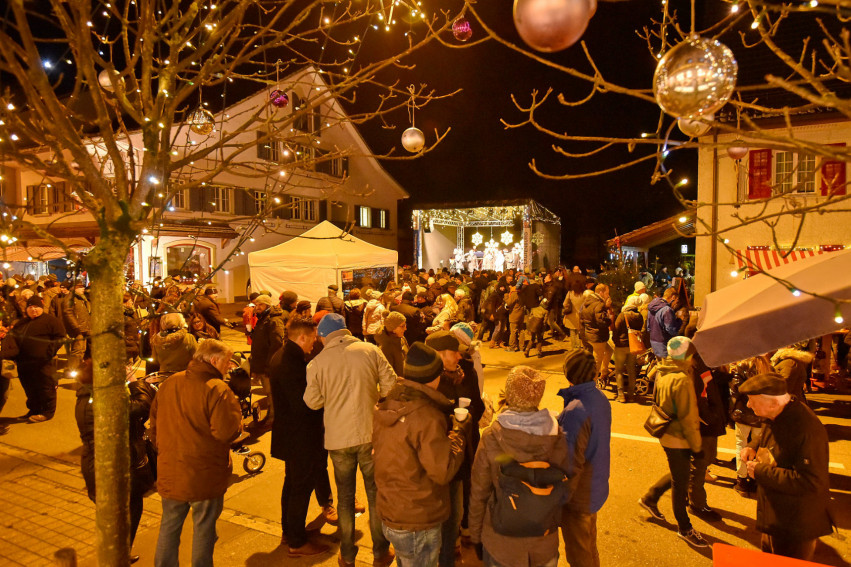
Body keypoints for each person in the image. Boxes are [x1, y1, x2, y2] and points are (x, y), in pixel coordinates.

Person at [303, 313, 397, 567]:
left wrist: (331, 398)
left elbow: (312, 402)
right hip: (370, 434)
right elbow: (390, 386)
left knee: (344, 498)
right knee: (375, 493)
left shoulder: (318, 363)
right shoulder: (370, 351)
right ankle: (380, 552)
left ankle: (346, 555)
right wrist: (373, 397)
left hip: (338, 439)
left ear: (323, 336)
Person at [373, 342, 469, 567]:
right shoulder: (426, 416)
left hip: (392, 511)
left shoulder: (388, 405)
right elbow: (442, 471)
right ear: (433, 377)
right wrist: (459, 434)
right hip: (418, 519)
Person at [150, 339, 243, 567]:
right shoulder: (217, 389)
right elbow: (225, 431)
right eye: (227, 362)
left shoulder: (170, 382)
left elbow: (154, 424)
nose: (229, 367)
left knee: (169, 525)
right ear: (214, 360)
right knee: (204, 527)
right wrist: (239, 425)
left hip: (171, 469)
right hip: (204, 473)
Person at [468, 365, 570, 567]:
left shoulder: (492, 437)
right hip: (544, 543)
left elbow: (479, 492)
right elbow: (566, 488)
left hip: (501, 544)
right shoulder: (557, 436)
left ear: (509, 394)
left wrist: (475, 536)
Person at [739, 373, 832, 561]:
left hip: (794, 525)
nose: (748, 405)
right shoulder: (780, 412)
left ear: (773, 403)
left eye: (751, 401)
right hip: (777, 514)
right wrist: (753, 445)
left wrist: (760, 471)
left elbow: (810, 481)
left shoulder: (805, 429)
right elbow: (769, 429)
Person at [76, 358, 155, 563]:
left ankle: (118, 553)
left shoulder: (89, 395)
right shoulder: (103, 400)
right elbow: (141, 406)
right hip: (114, 470)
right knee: (125, 513)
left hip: (101, 466)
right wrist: (135, 383)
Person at [268, 318, 333, 557]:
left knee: (292, 484)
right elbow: (303, 404)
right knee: (300, 488)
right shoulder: (290, 363)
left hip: (290, 435)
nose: (314, 343)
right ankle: (297, 541)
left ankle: (290, 530)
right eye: (313, 338)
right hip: (300, 437)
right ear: (302, 337)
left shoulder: (284, 355)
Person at [638, 337, 707, 548]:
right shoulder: (682, 379)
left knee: (680, 472)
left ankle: (650, 498)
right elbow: (688, 417)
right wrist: (697, 446)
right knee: (681, 482)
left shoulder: (663, 369)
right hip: (678, 436)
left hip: (665, 432)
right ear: (687, 355)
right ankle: (684, 528)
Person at [557, 350, 611, 567]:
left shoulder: (575, 411)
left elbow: (570, 465)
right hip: (595, 486)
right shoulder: (599, 398)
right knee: (589, 546)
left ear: (568, 374)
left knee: (579, 556)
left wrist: (559, 500)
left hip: (579, 497)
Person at [8, 295, 65, 422]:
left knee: (45, 387)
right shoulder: (22, 323)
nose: (33, 310)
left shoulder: (51, 321)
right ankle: (33, 410)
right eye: (30, 307)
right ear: (26, 309)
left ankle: (47, 412)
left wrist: (49, 351)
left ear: (41, 307)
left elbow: (60, 337)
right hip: (24, 362)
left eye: (36, 307)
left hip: (43, 362)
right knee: (29, 388)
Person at [251, 294, 286, 424]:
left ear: (267, 305)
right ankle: (271, 417)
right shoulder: (263, 318)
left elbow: (277, 343)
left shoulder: (273, 320)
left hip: (268, 365)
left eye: (260, 305)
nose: (257, 307)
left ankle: (272, 419)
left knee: (271, 393)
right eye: (256, 305)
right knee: (268, 392)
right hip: (263, 364)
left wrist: (269, 365)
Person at [611, 295, 645, 402]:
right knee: (631, 371)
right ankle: (631, 394)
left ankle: (621, 394)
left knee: (619, 370)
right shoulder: (639, 316)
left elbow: (615, 330)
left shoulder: (622, 315)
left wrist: (616, 342)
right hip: (632, 346)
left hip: (621, 346)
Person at [580, 284, 613, 385]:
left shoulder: (588, 301)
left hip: (590, 333)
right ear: (601, 293)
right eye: (607, 293)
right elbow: (601, 321)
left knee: (609, 350)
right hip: (597, 336)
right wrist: (609, 319)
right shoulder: (599, 304)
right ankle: (592, 384)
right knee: (597, 360)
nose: (608, 295)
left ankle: (604, 371)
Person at [63, 280, 91, 376]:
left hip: (83, 328)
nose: (83, 288)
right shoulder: (70, 298)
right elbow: (67, 312)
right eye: (81, 287)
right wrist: (76, 327)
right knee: (77, 350)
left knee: (82, 350)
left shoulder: (80, 298)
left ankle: (78, 369)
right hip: (78, 329)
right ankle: (73, 370)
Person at [647, 287, 682, 359]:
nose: (676, 303)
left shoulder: (651, 307)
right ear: (673, 297)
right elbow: (671, 330)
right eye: (677, 300)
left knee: (659, 365)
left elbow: (648, 327)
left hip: (654, 343)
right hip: (664, 345)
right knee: (666, 368)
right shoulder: (667, 310)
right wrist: (679, 321)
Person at [375, 311, 408, 376]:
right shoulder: (386, 347)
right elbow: (387, 374)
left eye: (405, 325)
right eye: (402, 326)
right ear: (393, 329)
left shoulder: (401, 339)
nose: (405, 328)